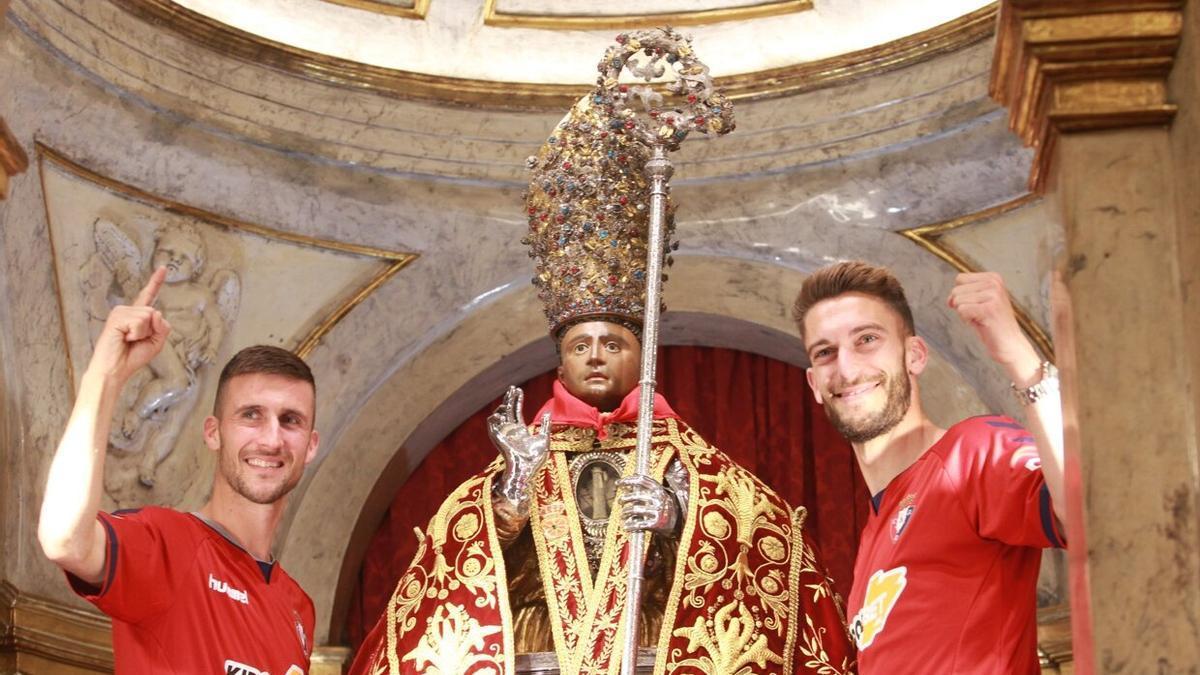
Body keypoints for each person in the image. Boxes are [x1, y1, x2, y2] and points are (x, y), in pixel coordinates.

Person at [350, 45, 854, 674]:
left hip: (649, 646)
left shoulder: (680, 456)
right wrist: (512, 490)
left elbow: (760, 538)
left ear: (641, 357)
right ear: (557, 365)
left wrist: (678, 515)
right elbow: (460, 568)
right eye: (579, 346)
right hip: (538, 651)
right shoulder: (525, 454)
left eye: (613, 344)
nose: (595, 357)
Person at [38, 266, 318, 674]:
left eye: (290, 420)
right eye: (251, 415)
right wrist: (105, 375)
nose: (272, 439)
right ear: (213, 432)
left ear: (310, 445)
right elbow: (64, 540)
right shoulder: (168, 544)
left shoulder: (298, 607)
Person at [793, 261, 1066, 674]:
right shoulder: (873, 532)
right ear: (815, 384)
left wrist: (1017, 353)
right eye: (826, 352)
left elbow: (1090, 513)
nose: (846, 369)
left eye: (867, 339)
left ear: (914, 355)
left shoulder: (973, 452)